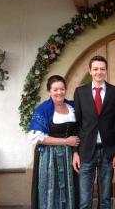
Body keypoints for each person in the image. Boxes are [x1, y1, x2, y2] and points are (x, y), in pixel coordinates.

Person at [72, 56, 115, 209]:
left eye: (102, 69)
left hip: (108, 151)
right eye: (95, 69)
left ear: (106, 71)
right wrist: (75, 151)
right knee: (85, 200)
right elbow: (77, 123)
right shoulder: (80, 92)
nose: (99, 72)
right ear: (90, 71)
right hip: (86, 150)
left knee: (105, 198)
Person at [28, 75, 80, 209]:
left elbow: (80, 129)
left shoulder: (72, 106)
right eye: (55, 89)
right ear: (49, 91)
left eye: (62, 89)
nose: (59, 92)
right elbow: (38, 138)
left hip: (70, 156)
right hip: (48, 157)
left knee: (70, 188)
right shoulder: (43, 109)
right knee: (50, 189)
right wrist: (65, 141)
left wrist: (75, 151)